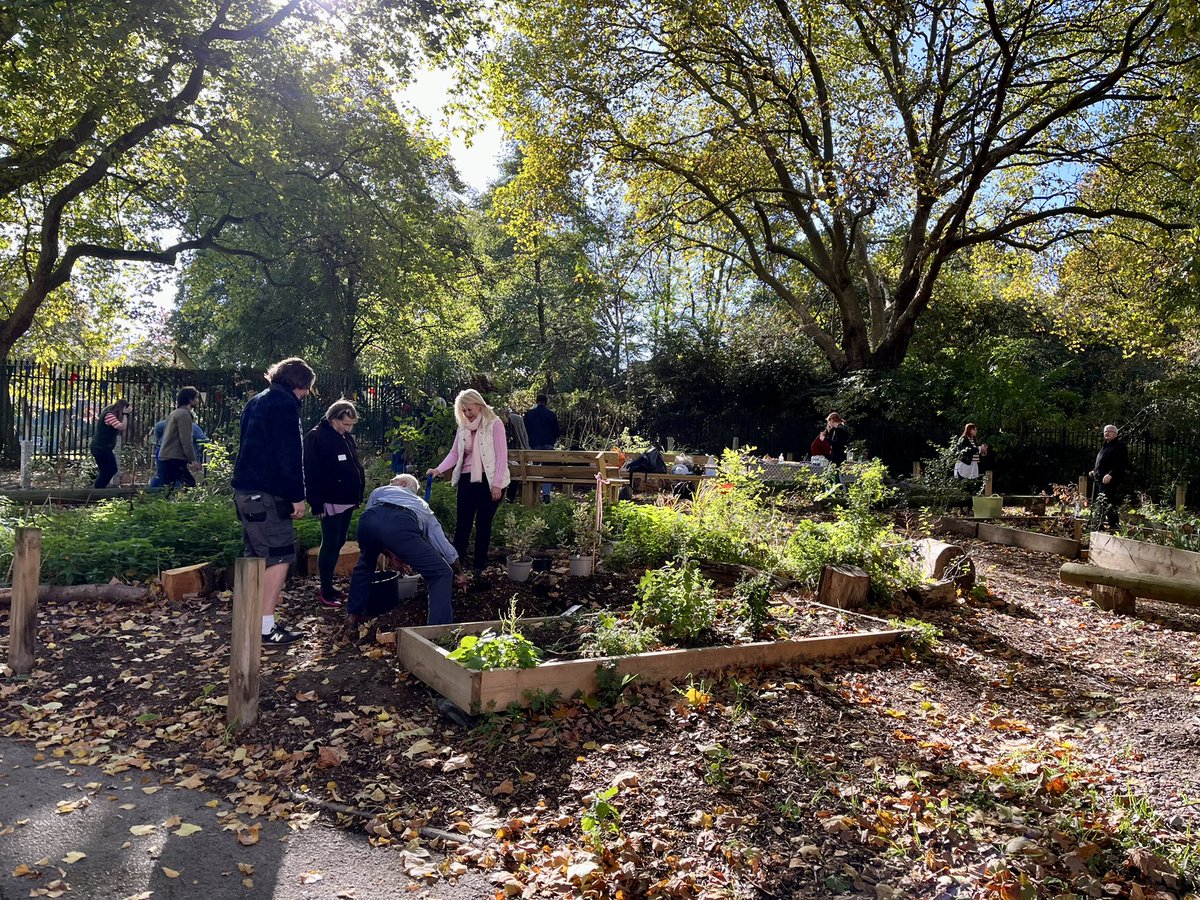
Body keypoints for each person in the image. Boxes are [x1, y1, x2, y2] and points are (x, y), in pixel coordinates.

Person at [231, 357, 316, 646]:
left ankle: (250, 622)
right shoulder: (284, 405)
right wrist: (297, 497)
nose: (306, 394)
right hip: (267, 494)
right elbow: (289, 455)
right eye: (306, 388)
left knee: (256, 558)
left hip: (245, 492)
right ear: (298, 383)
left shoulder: (256, 401)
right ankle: (265, 628)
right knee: (279, 556)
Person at [344, 474, 466, 629]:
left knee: (365, 565)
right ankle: (437, 631)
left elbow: (378, 527)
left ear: (401, 483)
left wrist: (391, 555)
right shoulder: (422, 506)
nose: (390, 483)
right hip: (402, 525)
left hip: (368, 522)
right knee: (441, 573)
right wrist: (459, 571)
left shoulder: (380, 491)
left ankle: (353, 616)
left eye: (392, 482)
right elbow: (444, 547)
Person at [426, 389, 510, 585]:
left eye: (469, 409)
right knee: (462, 526)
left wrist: (497, 484)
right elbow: (454, 454)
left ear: (479, 405)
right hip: (466, 480)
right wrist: (438, 470)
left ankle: (479, 568)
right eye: (463, 411)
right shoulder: (463, 427)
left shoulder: (495, 424)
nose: (467, 414)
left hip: (490, 481)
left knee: (483, 525)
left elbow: (502, 457)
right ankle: (457, 568)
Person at [304, 399, 366, 608]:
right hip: (330, 499)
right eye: (345, 424)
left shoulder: (344, 437)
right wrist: (316, 503)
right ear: (333, 419)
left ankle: (329, 587)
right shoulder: (316, 437)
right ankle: (325, 589)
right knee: (330, 543)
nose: (347, 429)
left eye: (350, 425)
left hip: (347, 499)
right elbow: (311, 473)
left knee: (339, 542)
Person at [158, 387, 202, 488]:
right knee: (189, 484)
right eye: (196, 398)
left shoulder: (175, 412)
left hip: (167, 455)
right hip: (174, 457)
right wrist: (193, 460)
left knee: (169, 487)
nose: (198, 401)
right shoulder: (184, 414)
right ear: (190, 400)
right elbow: (186, 439)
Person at [149, 416, 209, 488]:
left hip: (161, 451)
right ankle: (174, 493)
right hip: (178, 454)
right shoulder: (193, 427)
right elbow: (204, 441)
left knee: (161, 475)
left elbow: (157, 428)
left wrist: (161, 442)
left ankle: (153, 491)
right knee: (178, 477)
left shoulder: (166, 424)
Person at [1090, 424, 1128, 530]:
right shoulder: (1105, 446)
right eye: (1105, 431)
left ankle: (1099, 524)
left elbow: (1121, 463)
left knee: (1105, 502)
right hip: (1099, 479)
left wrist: (1111, 474)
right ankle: (1112, 525)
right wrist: (1094, 471)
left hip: (1110, 480)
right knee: (1106, 502)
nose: (1107, 433)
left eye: (1110, 431)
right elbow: (1102, 462)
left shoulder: (1119, 446)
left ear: (1116, 434)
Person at [524, 393, 560, 501]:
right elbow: (557, 432)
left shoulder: (529, 414)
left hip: (534, 444)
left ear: (536, 401)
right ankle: (546, 494)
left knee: (534, 468)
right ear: (546, 402)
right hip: (548, 444)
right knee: (547, 469)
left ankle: (534, 493)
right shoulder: (551, 414)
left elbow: (525, 429)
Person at [90, 399, 130, 489]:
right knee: (108, 470)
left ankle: (99, 489)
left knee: (109, 470)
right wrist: (125, 414)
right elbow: (122, 427)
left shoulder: (109, 413)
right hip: (100, 448)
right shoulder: (109, 415)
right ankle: (98, 490)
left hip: (103, 448)